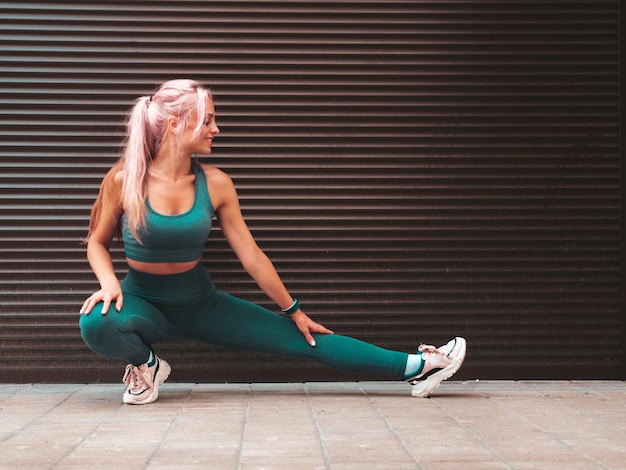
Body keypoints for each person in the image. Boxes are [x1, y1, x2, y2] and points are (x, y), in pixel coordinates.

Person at [79, 79, 466, 405]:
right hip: (141, 301)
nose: (217, 129)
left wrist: (293, 310)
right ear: (178, 123)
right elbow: (96, 242)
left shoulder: (216, 184)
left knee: (305, 339)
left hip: (200, 302)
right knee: (96, 323)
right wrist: (110, 284)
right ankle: (148, 365)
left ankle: (420, 365)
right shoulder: (122, 179)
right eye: (209, 120)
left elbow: (251, 255)